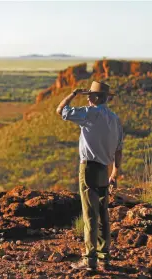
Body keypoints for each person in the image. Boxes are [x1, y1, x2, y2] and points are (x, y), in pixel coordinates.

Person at [56, 81, 123, 271]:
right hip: (105, 169)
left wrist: (72, 95)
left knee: (89, 215)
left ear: (97, 98)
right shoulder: (114, 118)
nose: (87, 97)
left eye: (90, 95)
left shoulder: (90, 113)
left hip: (88, 169)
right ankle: (104, 258)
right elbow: (119, 149)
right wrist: (115, 173)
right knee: (103, 213)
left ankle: (90, 259)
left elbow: (60, 111)